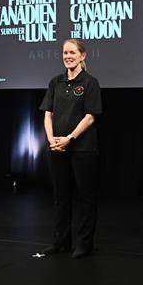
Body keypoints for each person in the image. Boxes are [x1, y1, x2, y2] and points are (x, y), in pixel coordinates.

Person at [39, 39, 102, 258]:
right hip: (57, 148)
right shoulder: (55, 82)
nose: (68, 56)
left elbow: (90, 117)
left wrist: (70, 138)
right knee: (60, 197)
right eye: (65, 52)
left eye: (72, 52)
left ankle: (84, 244)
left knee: (85, 197)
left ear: (82, 56)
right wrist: (52, 140)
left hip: (82, 149)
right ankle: (60, 241)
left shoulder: (90, 82)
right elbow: (48, 113)